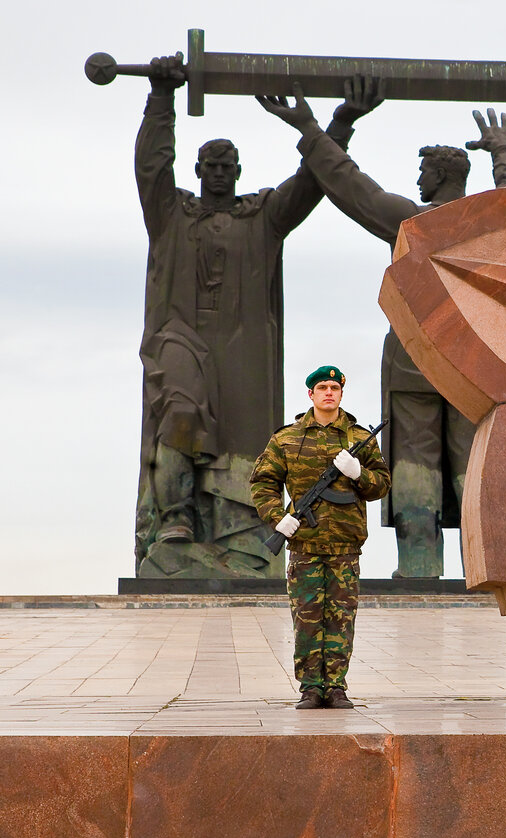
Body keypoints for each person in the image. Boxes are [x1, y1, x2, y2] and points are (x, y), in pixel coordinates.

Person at [257, 78, 506, 579]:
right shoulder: (488, 222)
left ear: (441, 175)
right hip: (472, 363)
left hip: (416, 363)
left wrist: (310, 128)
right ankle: (488, 574)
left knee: (415, 471)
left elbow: (349, 186)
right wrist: (504, 152)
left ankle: (420, 570)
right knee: (473, 466)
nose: (420, 180)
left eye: (425, 171)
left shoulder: (414, 221)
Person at [133, 55, 372, 577]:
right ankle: (174, 521)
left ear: (238, 171)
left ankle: (234, 538)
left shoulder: (262, 216)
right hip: (179, 337)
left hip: (243, 352)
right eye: (210, 166)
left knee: (244, 447)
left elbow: (311, 183)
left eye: (228, 166)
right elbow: (151, 167)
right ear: (197, 171)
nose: (219, 173)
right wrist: (161, 100)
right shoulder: (170, 213)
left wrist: (342, 122)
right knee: (177, 410)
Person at [250, 366, 391, 709]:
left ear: (341, 394)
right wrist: (278, 517)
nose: (328, 392)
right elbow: (263, 482)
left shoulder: (359, 439)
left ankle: (337, 687)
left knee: (341, 618)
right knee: (307, 618)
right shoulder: (287, 438)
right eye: (322, 387)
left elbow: (382, 485)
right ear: (310, 395)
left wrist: (358, 474)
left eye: (334, 388)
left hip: (345, 545)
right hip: (304, 545)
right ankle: (311, 688)